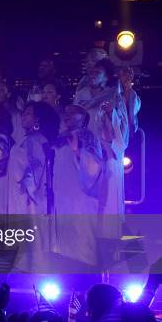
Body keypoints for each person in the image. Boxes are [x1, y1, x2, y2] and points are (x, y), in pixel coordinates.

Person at [74, 59, 129, 237]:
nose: (92, 73)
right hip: (86, 151)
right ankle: (87, 242)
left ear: (106, 76)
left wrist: (111, 113)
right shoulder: (81, 94)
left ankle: (110, 241)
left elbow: (123, 124)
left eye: (98, 71)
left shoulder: (113, 95)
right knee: (86, 196)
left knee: (107, 196)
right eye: (91, 70)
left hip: (107, 151)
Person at [52, 105, 104, 267]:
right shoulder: (60, 137)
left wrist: (78, 152)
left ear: (83, 118)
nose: (67, 115)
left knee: (81, 236)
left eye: (72, 113)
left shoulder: (88, 136)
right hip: (62, 196)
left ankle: (85, 276)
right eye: (66, 112)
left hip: (81, 197)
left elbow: (95, 165)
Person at [7, 101, 59, 215]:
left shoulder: (36, 141)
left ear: (37, 118)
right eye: (23, 113)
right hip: (18, 192)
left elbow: (37, 170)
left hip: (29, 196)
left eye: (28, 113)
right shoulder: (27, 139)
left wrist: (25, 182)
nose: (23, 115)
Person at [118, 66, 142, 135]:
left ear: (132, 77)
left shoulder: (132, 94)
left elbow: (132, 114)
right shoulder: (116, 92)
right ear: (120, 77)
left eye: (129, 75)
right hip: (120, 128)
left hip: (129, 129)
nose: (127, 77)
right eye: (124, 75)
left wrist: (131, 128)